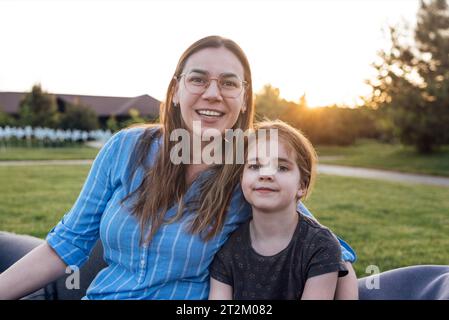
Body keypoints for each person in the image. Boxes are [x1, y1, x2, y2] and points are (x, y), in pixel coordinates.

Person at [0, 35, 357, 300]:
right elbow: (66, 244)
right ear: (175, 90)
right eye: (198, 79)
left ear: (245, 97)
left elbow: (328, 250)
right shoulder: (126, 148)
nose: (213, 94)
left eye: (229, 83)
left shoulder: (248, 165)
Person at [209, 120, 349, 300]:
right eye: (254, 166)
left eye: (281, 167)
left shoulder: (320, 246)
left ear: (302, 185)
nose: (265, 174)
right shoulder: (228, 251)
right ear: (241, 179)